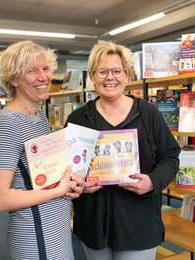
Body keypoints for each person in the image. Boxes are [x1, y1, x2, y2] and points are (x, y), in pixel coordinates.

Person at [66, 40, 181, 260]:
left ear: (127, 74)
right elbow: (67, 167)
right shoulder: (78, 119)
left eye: (117, 71)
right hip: (93, 225)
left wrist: (152, 181)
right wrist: (78, 184)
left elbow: (170, 157)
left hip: (139, 225)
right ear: (92, 76)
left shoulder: (148, 114)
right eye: (102, 71)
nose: (110, 77)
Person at [0, 40, 84, 260]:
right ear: (13, 79)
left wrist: (69, 186)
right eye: (32, 71)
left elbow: (42, 178)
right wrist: (58, 191)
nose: (43, 77)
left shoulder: (38, 116)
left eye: (45, 69)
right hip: (35, 237)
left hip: (57, 231)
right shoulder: (7, 124)